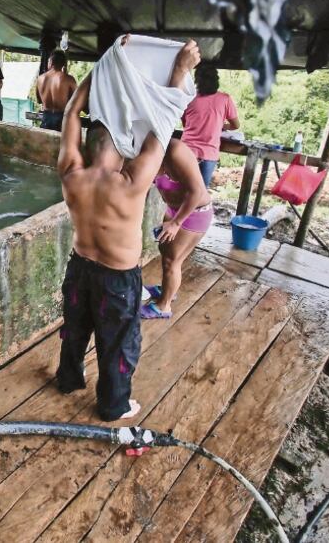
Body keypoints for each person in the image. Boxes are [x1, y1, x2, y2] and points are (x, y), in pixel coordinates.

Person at [56, 39, 201, 421]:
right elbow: (162, 124)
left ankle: (68, 379)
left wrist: (102, 70)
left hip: (79, 267)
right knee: (119, 343)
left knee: (75, 329)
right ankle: (113, 405)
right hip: (117, 279)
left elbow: (71, 112)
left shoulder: (70, 172)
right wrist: (180, 71)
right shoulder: (131, 180)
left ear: (89, 147)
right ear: (121, 149)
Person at [141, 139, 212, 320]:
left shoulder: (175, 150)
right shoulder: (145, 147)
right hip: (174, 210)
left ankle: (164, 306)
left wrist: (176, 223)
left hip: (193, 214)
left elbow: (197, 191)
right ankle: (167, 290)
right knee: (165, 253)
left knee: (172, 261)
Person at [181, 66, 239, 188]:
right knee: (201, 192)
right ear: (216, 80)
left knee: (182, 189)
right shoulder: (225, 99)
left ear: (197, 81)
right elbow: (235, 125)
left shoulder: (189, 98)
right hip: (209, 153)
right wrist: (219, 125)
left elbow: (186, 124)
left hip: (187, 150)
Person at [35, 48, 77, 131]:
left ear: (51, 62)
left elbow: (39, 100)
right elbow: (76, 100)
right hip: (61, 118)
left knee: (46, 139)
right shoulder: (69, 79)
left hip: (46, 117)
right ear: (63, 63)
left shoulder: (40, 79)